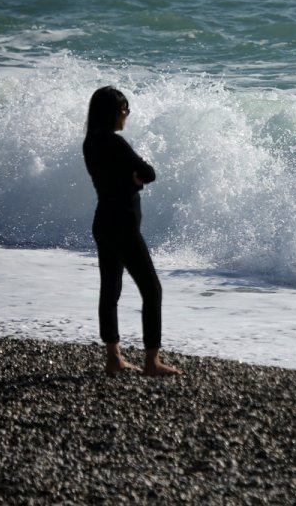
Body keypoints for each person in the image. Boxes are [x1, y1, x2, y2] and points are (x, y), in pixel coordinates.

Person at [83, 86, 181, 376]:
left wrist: (131, 178)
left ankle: (113, 358)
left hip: (103, 222)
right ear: (112, 113)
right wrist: (135, 179)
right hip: (123, 224)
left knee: (110, 291)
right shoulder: (116, 143)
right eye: (124, 110)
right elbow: (149, 173)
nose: (126, 115)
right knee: (152, 289)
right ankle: (152, 361)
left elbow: (123, 176)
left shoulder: (90, 143)